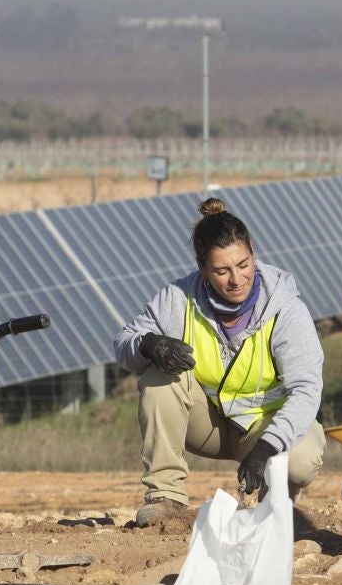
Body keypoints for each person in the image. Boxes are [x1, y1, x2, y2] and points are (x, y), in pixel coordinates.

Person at [112, 197, 327, 528]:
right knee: (158, 376)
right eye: (222, 271)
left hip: (263, 427)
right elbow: (124, 345)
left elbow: (307, 389)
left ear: (254, 253)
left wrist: (268, 446)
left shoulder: (284, 308)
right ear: (203, 269)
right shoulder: (177, 299)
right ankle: (165, 497)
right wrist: (149, 345)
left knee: (300, 460)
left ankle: (276, 498)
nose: (236, 279)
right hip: (209, 424)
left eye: (243, 265)